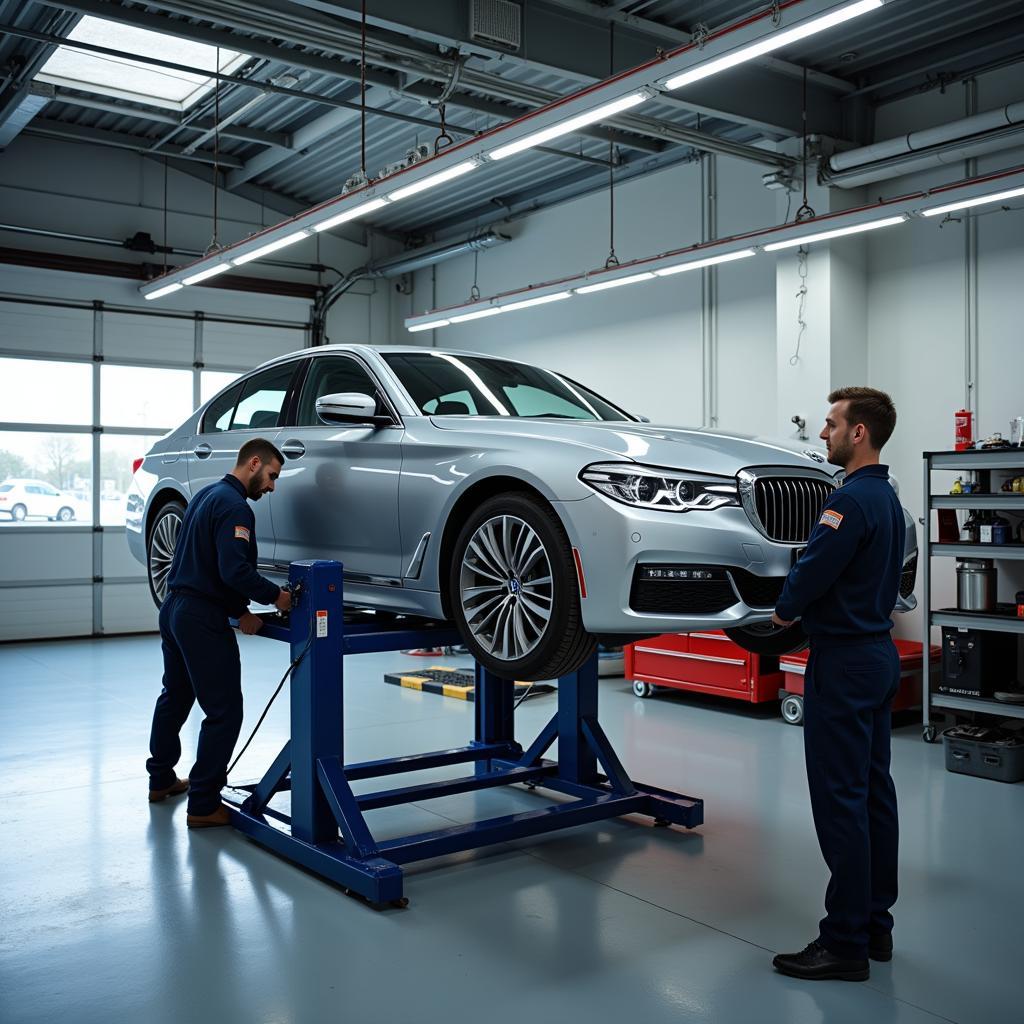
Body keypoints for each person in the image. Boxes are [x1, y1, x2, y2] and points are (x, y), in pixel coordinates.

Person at [771, 387, 905, 982]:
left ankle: (844, 942)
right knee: (874, 793)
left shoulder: (846, 503)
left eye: (830, 425)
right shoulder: (890, 500)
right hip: (877, 658)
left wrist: (777, 614)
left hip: (844, 663)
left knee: (840, 800)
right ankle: (876, 926)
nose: (822, 434)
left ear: (858, 434)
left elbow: (811, 571)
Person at [146, 438, 292, 828]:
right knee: (224, 711)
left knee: (175, 696)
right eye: (272, 476)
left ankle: (159, 779)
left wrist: (240, 610)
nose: (272, 486)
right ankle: (203, 804)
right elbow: (234, 571)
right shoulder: (236, 508)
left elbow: (204, 561)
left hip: (175, 607)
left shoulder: (204, 497)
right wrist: (276, 597)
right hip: (200, 619)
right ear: (254, 463)